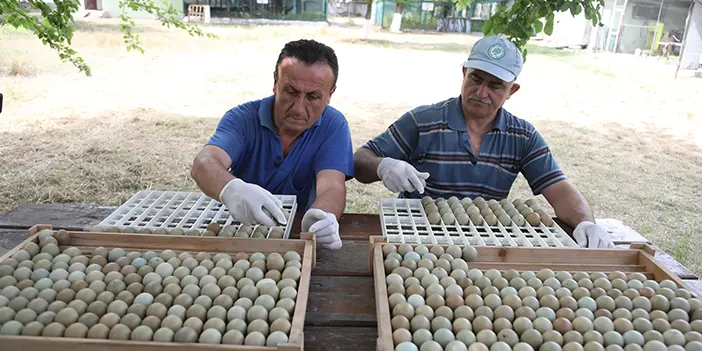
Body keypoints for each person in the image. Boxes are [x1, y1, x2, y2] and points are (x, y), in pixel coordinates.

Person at [353, 36, 614, 249]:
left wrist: (585, 223)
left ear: (512, 91)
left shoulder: (522, 136)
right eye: (476, 78)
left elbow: (561, 191)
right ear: (464, 73)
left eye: (495, 86)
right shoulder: (423, 121)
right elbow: (361, 159)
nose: (481, 93)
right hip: (418, 241)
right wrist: (382, 166)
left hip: (486, 244)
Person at [191, 39, 353, 249]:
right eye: (291, 92)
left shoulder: (333, 125)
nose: (298, 108)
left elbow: (331, 186)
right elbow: (204, 162)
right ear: (276, 83)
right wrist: (232, 189)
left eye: (313, 97)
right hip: (237, 232)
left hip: (296, 233)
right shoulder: (242, 119)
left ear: (330, 95)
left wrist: (321, 217)